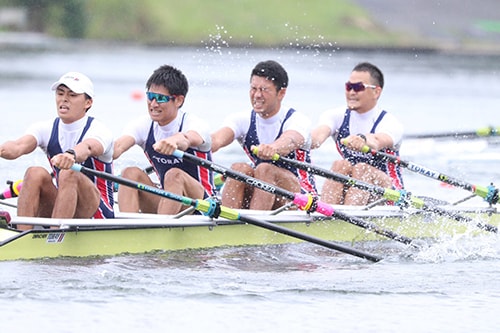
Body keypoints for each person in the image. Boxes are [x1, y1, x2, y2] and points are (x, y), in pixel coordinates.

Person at [0, 72, 115, 229]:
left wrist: (71, 155)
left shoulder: (99, 129)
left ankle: (55, 237)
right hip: (64, 205)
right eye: (60, 94)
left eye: (72, 95)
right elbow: (17, 147)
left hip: (97, 212)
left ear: (88, 103)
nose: (64, 99)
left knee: (68, 172)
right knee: (35, 172)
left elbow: (87, 147)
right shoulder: (44, 128)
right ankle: (22, 234)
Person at [211, 60, 316, 210]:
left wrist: (273, 148)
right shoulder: (242, 119)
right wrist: (188, 141)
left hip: (300, 196)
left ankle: (255, 226)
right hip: (264, 192)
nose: (257, 95)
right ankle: (227, 223)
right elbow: (215, 140)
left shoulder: (297, 120)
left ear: (281, 93)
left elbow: (291, 139)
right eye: (254, 88)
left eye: (264, 90)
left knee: (265, 169)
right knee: (238, 169)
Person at [113, 64, 215, 215]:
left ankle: (161, 231)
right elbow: (117, 148)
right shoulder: (143, 125)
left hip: (201, 204)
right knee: (129, 173)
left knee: (174, 175)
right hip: (170, 201)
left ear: (179, 101)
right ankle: (127, 233)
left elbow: (187, 138)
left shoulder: (193, 123)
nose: (153, 104)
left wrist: (174, 141)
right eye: (150, 97)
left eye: (160, 98)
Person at [311, 62, 404, 206]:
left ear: (376, 92)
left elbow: (377, 140)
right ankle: (325, 216)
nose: (351, 92)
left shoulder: (390, 122)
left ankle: (347, 220)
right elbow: (316, 138)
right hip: (355, 189)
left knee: (362, 168)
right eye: (349, 87)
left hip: (388, 193)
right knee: (340, 165)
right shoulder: (336, 115)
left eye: (358, 87)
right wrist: (294, 139)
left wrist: (362, 139)